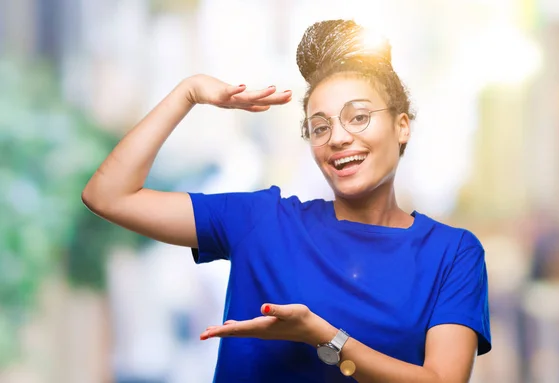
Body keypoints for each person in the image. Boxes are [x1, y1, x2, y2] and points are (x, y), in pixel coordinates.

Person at [82, 19, 491, 383]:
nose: (338, 137)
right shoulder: (262, 221)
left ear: (402, 126)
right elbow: (108, 195)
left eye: (359, 117)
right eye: (319, 127)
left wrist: (325, 337)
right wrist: (187, 94)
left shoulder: (452, 253)